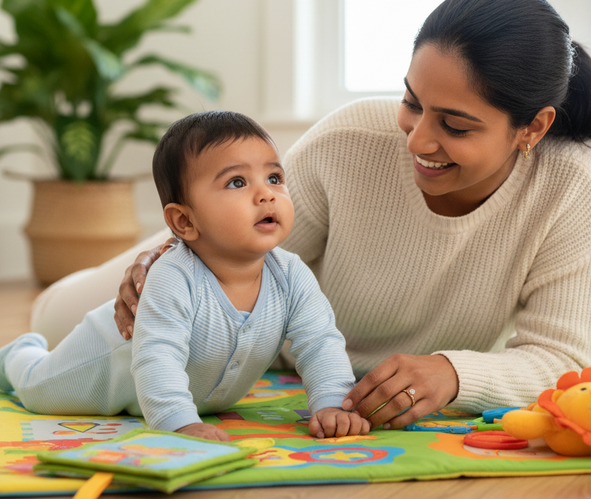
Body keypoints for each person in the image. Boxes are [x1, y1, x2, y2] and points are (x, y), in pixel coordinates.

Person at [30, 0, 591, 433]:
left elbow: (562, 358)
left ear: (533, 127)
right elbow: (244, 237)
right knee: (56, 323)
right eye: (412, 102)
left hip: (285, 355)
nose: (418, 139)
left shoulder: (572, 184)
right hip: (211, 278)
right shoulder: (351, 144)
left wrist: (450, 372)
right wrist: (164, 264)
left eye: (454, 124)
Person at [4, 112, 370, 441]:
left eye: (274, 177)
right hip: (103, 361)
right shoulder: (174, 276)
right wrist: (177, 421)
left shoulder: (292, 275)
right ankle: (17, 354)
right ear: (184, 221)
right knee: (37, 387)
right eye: (237, 183)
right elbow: (156, 356)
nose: (266, 194)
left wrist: (332, 403)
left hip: (201, 394)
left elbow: (320, 342)